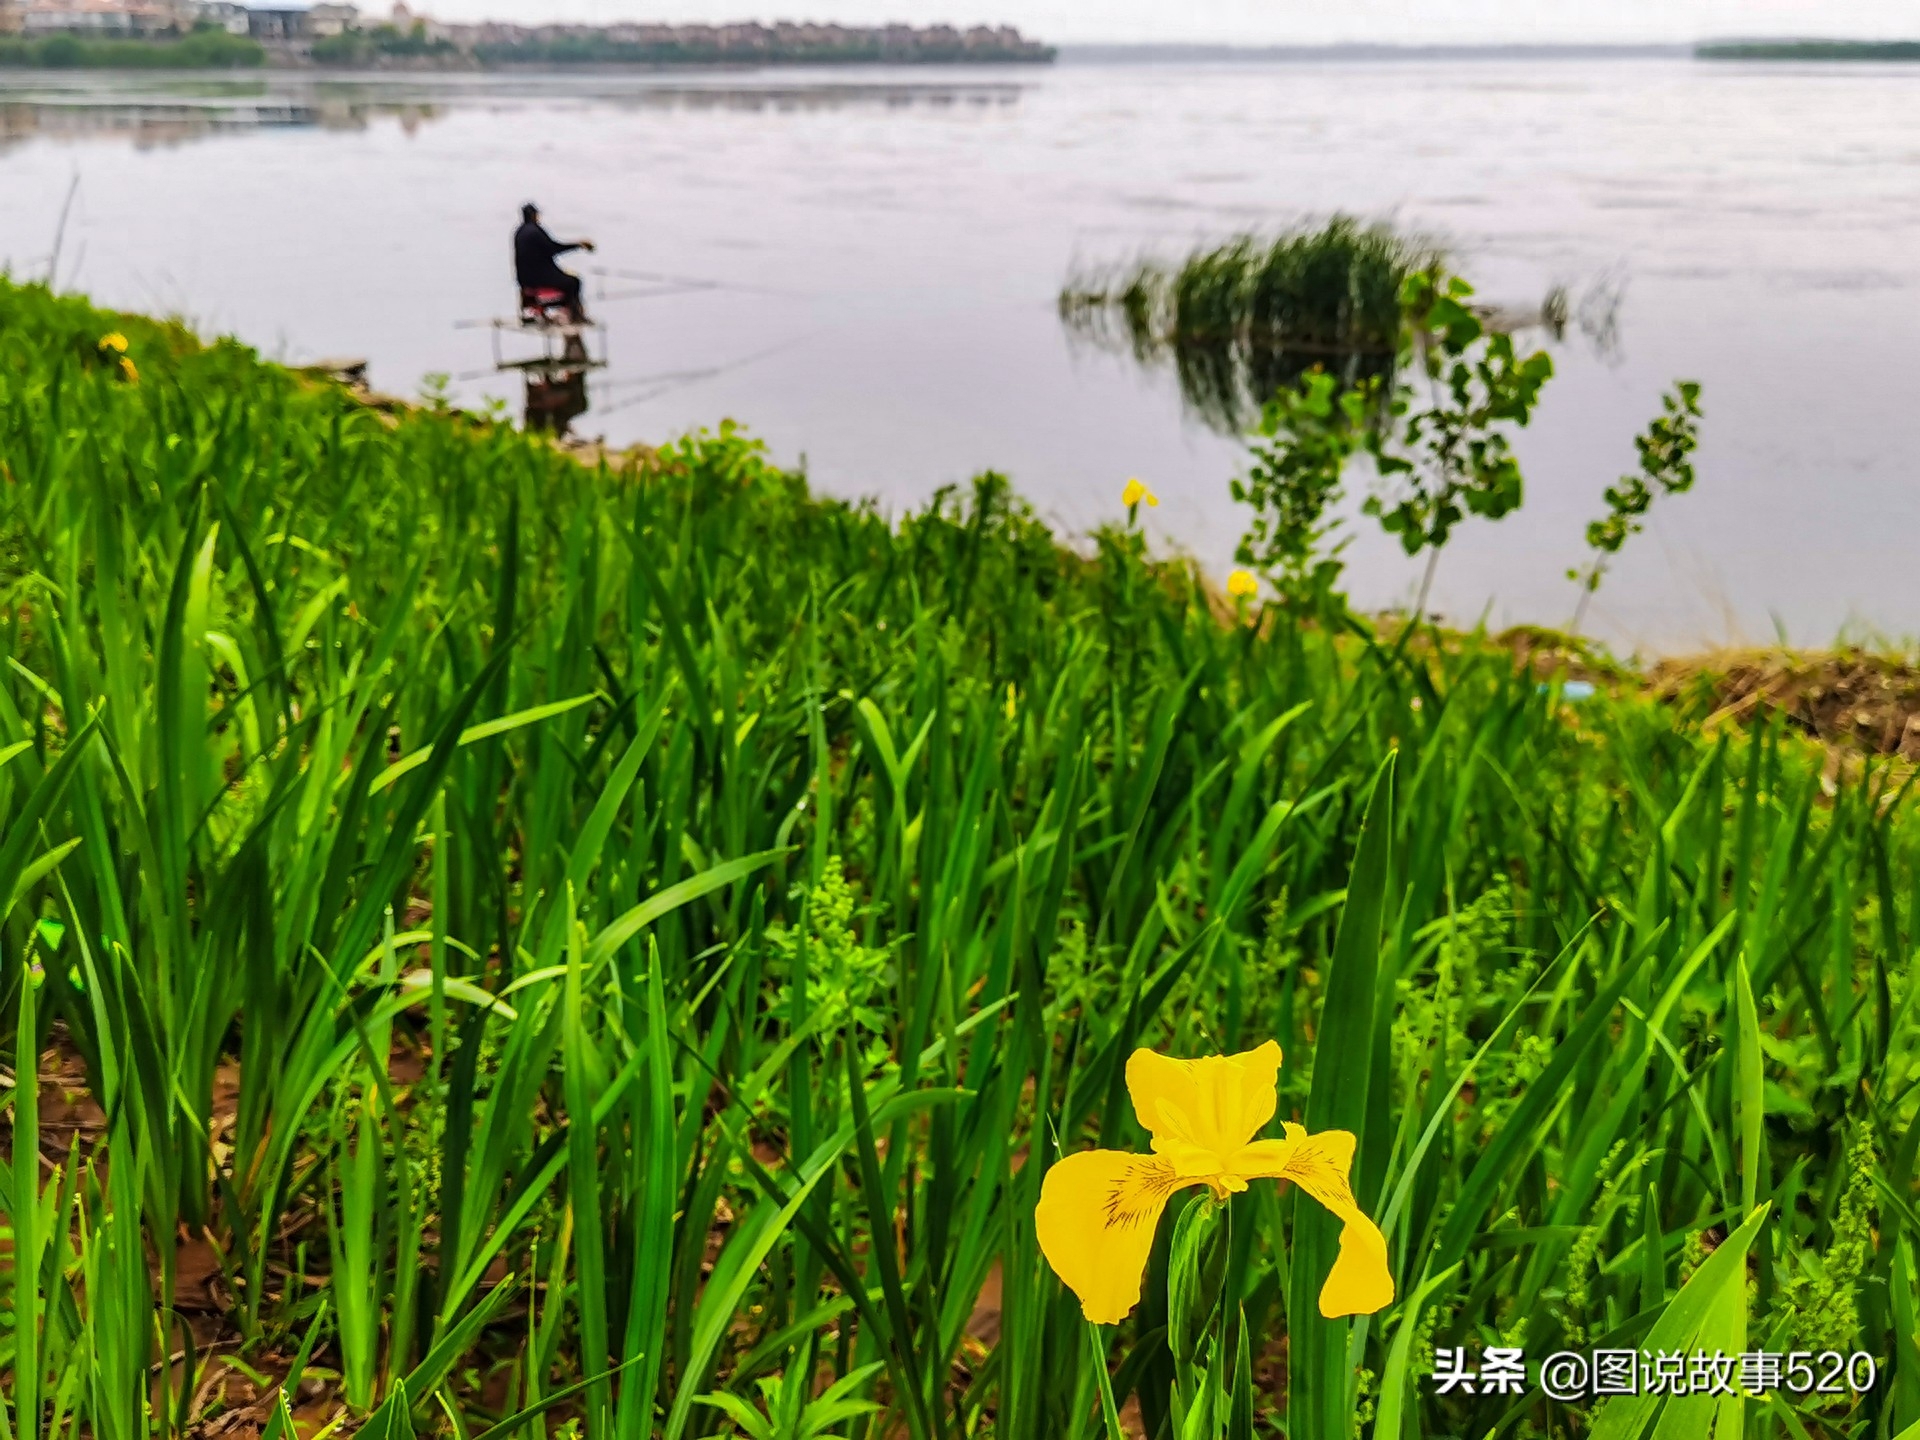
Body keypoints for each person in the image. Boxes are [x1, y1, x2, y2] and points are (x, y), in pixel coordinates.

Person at [513, 202, 595, 323]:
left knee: (566, 279)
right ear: (534, 216)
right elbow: (553, 249)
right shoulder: (536, 231)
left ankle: (532, 309)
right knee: (573, 282)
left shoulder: (519, 233)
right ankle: (575, 316)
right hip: (538, 277)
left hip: (523, 279)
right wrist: (578, 245)